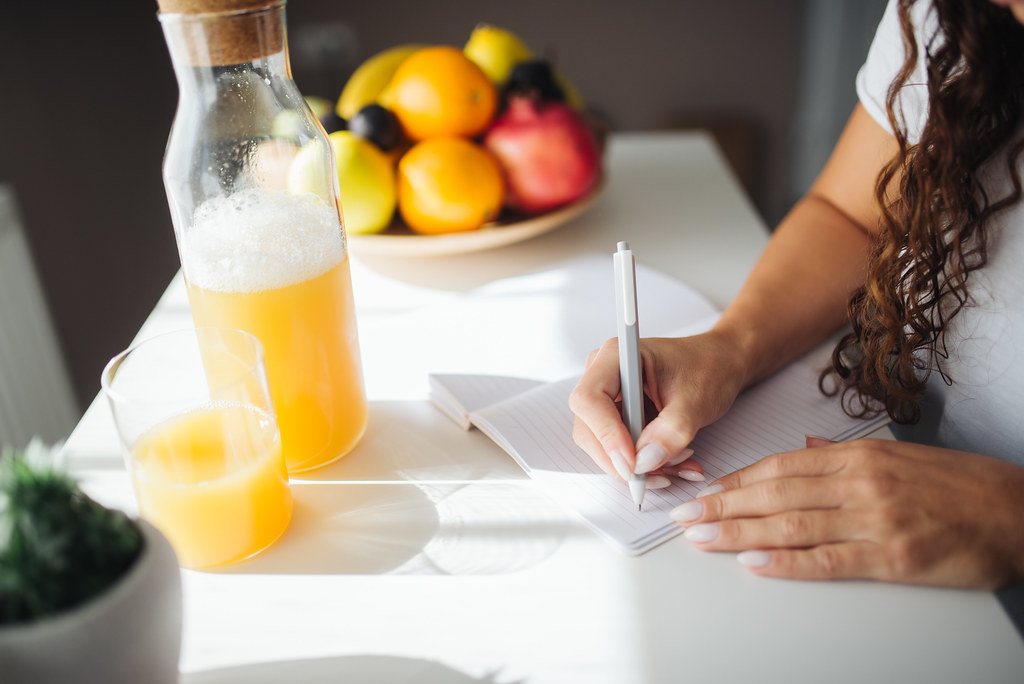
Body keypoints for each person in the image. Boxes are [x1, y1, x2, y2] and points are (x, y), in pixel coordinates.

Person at [569, 0, 1024, 589]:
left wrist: (1007, 512)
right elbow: (852, 216)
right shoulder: (952, 16)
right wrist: (729, 348)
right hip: (887, 437)